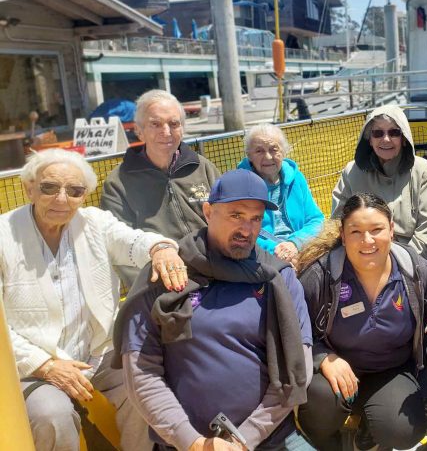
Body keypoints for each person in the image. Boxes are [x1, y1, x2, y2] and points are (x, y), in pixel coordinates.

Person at [0, 148, 186, 451]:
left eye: (74, 191)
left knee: (148, 388)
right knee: (51, 415)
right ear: (28, 188)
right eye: (49, 188)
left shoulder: (94, 223)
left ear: (84, 195)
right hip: (33, 364)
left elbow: (135, 241)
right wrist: (44, 365)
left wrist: (161, 248)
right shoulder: (3, 235)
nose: (62, 199)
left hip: (96, 355)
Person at [116, 169, 313, 451]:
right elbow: (142, 372)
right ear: (208, 211)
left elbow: (299, 365)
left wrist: (244, 439)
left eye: (256, 218)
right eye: (236, 215)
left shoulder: (278, 278)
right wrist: (194, 443)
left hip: (271, 438)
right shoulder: (167, 273)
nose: (247, 229)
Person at [296, 193, 427, 451]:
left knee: (403, 431)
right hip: (336, 371)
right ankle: (329, 443)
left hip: (390, 370)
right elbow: (292, 327)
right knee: (320, 402)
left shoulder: (410, 266)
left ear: (391, 230)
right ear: (343, 236)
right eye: (355, 231)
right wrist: (323, 359)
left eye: (376, 229)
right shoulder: (320, 275)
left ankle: (369, 426)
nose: (367, 240)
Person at [101, 89, 220, 275]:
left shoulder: (203, 168)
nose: (166, 132)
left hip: (218, 271)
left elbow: (227, 219)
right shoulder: (118, 184)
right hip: (164, 284)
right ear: (139, 131)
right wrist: (152, 295)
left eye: (174, 124)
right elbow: (119, 248)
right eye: (155, 124)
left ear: (182, 128)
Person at [332, 105, 427, 263]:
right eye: (377, 133)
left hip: (414, 260)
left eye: (394, 132)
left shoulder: (424, 171)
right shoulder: (351, 173)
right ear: (369, 139)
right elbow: (337, 224)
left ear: (404, 138)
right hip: (363, 258)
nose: (386, 139)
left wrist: (396, 264)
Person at [237, 123, 324, 264]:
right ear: (249, 156)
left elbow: (316, 220)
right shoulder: (239, 184)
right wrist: (276, 250)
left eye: (274, 149)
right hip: (260, 256)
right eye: (259, 151)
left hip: (299, 248)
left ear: (283, 152)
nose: (268, 157)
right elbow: (238, 231)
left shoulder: (297, 178)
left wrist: (295, 243)